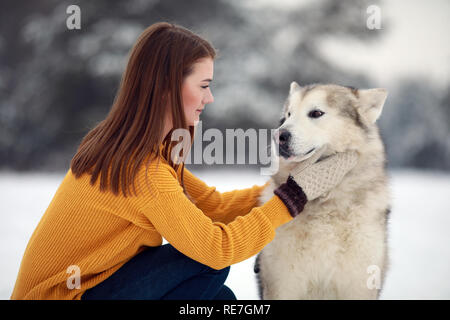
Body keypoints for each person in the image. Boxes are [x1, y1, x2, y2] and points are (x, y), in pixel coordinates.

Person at [10, 22, 357, 300]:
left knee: (220, 300)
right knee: (206, 264)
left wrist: (283, 187)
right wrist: (291, 200)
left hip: (100, 284)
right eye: (203, 85)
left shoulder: (144, 149)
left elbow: (210, 204)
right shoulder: (139, 169)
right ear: (166, 86)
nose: (210, 96)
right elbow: (216, 249)